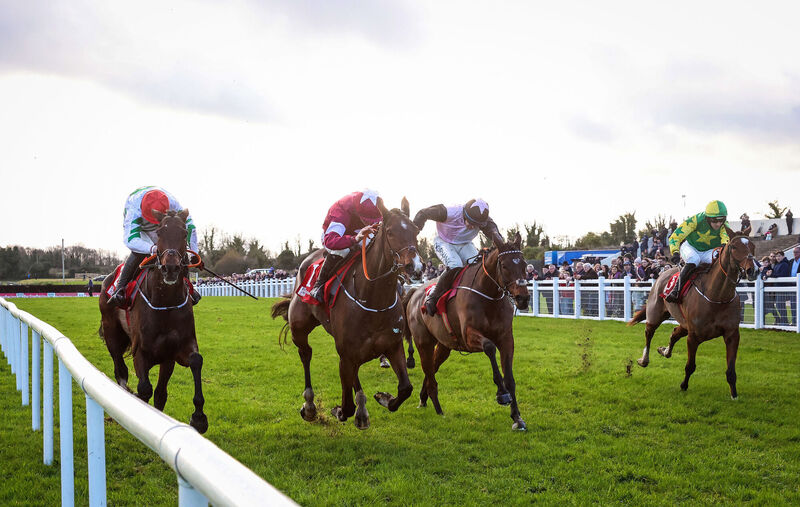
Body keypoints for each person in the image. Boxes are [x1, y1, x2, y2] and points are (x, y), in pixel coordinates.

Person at [109, 186, 201, 307]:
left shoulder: (173, 203)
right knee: (139, 252)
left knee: (177, 250)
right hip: (142, 228)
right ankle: (119, 289)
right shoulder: (133, 209)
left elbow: (191, 228)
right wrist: (152, 249)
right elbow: (131, 240)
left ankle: (188, 288)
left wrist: (194, 253)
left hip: (165, 223)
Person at [413, 198, 504, 315]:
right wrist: (414, 231)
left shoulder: (486, 222)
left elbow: (496, 235)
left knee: (478, 265)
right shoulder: (448, 212)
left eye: (476, 225)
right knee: (455, 265)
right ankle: (433, 296)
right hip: (443, 241)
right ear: (464, 214)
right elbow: (423, 213)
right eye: (470, 222)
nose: (472, 227)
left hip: (465, 243)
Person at [309, 189, 383, 303]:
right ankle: (319, 284)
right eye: (366, 219)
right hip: (333, 236)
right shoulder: (341, 209)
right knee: (343, 250)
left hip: (356, 231)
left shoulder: (378, 209)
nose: (370, 222)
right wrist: (354, 239)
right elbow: (330, 241)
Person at [665, 200, 731, 303]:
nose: (718, 224)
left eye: (721, 220)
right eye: (715, 221)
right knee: (694, 259)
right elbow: (675, 236)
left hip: (709, 251)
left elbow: (725, 237)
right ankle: (676, 290)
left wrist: (723, 246)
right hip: (691, 247)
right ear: (708, 218)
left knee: (721, 262)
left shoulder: (724, 225)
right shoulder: (695, 220)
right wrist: (675, 252)